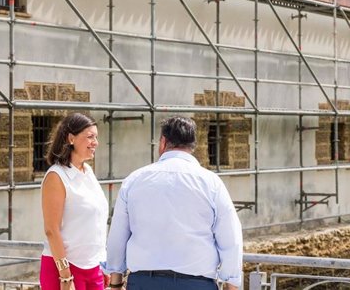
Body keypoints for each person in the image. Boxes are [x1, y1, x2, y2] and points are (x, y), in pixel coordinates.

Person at [103, 116, 243, 290]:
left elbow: (118, 237)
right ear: (193, 145)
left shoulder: (134, 180)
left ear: (163, 142)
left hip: (144, 282)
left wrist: (115, 283)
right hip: (196, 284)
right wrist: (231, 285)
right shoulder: (211, 182)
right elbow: (231, 239)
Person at [41, 113, 109, 290]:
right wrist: (65, 276)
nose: (96, 142)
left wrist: (103, 263)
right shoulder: (56, 176)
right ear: (71, 138)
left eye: (96, 137)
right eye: (90, 137)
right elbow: (51, 230)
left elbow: (97, 224)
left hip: (94, 268)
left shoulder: (88, 172)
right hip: (65, 270)